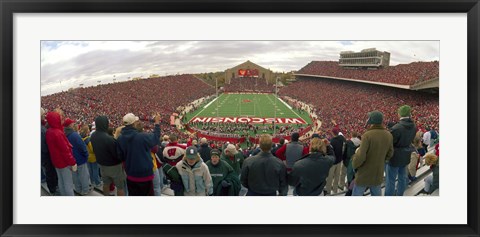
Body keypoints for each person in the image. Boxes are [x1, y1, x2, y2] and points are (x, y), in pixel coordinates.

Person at [117, 113, 161, 196]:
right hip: (145, 175)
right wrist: (157, 123)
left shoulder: (120, 138)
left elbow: (120, 157)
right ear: (133, 123)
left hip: (130, 174)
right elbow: (156, 137)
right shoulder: (142, 137)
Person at [352, 111, 393, 196]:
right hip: (378, 172)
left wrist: (354, 165)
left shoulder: (367, 135)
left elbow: (361, 156)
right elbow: (390, 153)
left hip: (364, 173)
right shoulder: (388, 135)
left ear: (371, 120)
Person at [90, 115, 126, 196]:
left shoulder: (93, 136)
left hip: (102, 165)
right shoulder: (109, 139)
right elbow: (117, 155)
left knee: (106, 184)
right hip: (114, 167)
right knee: (120, 187)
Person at [385, 105, 416, 196]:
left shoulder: (396, 128)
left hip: (395, 156)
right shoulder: (414, 126)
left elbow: (390, 143)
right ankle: (400, 195)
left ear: (400, 114)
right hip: (406, 155)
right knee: (402, 178)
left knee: (390, 180)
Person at [45, 111, 77, 196]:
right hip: (64, 162)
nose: (61, 119)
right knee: (68, 184)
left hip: (56, 161)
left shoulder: (49, 131)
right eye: (60, 118)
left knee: (61, 181)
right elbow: (65, 150)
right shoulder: (58, 133)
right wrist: (72, 162)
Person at [64, 118, 91, 195]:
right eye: (72, 123)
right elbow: (82, 146)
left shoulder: (64, 134)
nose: (73, 124)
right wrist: (86, 155)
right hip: (80, 159)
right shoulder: (75, 135)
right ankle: (85, 190)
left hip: (71, 159)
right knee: (83, 176)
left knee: (75, 176)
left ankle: (78, 189)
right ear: (70, 125)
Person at [79, 125, 103, 190]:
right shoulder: (88, 139)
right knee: (95, 170)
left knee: (90, 170)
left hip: (87, 156)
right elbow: (92, 149)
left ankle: (92, 181)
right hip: (92, 157)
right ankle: (97, 182)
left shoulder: (80, 138)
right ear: (87, 131)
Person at [41, 108, 58, 195]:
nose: (44, 116)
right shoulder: (42, 129)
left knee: (49, 172)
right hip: (46, 156)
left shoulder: (42, 128)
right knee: (49, 173)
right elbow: (44, 147)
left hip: (45, 156)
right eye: (43, 115)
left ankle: (53, 188)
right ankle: (53, 190)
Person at [325, 127, 346, 194]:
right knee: (337, 177)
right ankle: (335, 190)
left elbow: (330, 152)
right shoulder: (341, 138)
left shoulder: (332, 141)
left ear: (332, 133)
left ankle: (328, 191)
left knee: (330, 177)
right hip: (339, 161)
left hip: (333, 162)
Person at [344, 132, 361, 196]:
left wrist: (344, 160)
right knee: (355, 174)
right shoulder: (360, 142)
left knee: (350, 174)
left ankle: (350, 187)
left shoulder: (348, 142)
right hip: (357, 159)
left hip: (349, 160)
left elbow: (345, 152)